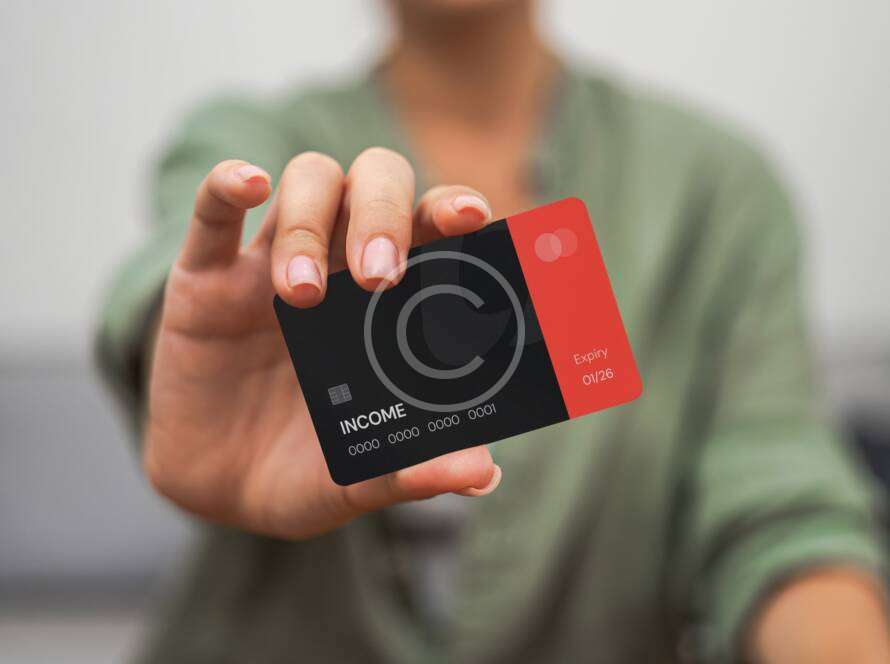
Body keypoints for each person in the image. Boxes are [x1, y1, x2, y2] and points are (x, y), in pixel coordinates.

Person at [97, 1, 890, 662]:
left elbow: (781, 512)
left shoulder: (714, 189)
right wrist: (185, 352)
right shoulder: (251, 141)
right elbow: (186, 266)